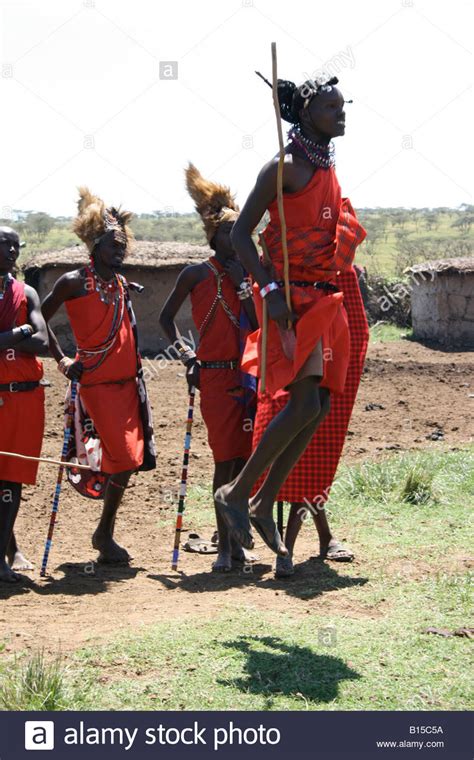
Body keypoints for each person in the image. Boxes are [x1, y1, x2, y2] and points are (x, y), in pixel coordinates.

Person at [215, 75, 366, 558]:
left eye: (343, 106)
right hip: (291, 298)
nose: (340, 114)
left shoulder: (327, 166)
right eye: (330, 107)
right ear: (306, 114)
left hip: (323, 297)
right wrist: (271, 288)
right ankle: (238, 494)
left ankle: (258, 502)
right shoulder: (282, 168)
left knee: (316, 408)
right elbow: (241, 236)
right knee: (302, 405)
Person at [41, 188, 156, 564]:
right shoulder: (74, 281)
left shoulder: (121, 285)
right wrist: (61, 360)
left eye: (122, 243)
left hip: (128, 387)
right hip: (97, 386)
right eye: (112, 244)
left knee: (132, 459)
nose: (120, 250)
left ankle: (104, 532)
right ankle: (103, 532)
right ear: (94, 245)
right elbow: (39, 317)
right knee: (123, 457)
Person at [160, 164, 258, 572]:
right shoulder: (195, 273)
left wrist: (242, 286)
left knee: (245, 460)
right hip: (215, 377)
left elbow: (256, 325)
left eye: (242, 234)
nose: (237, 241)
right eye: (229, 234)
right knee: (223, 461)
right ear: (213, 236)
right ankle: (223, 550)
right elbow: (166, 319)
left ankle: (235, 542)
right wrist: (187, 356)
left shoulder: (251, 274)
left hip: (249, 375)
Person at [252, 265, 369, 577]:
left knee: (313, 460)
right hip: (286, 369)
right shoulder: (281, 267)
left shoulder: (342, 273)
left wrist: (335, 375)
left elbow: (355, 331)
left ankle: (287, 549)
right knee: (297, 459)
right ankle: (318, 539)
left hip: (328, 375)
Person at [0, 226, 49, 582]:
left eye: (17, 246)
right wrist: (19, 333)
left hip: (26, 396)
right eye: (7, 246)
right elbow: (29, 334)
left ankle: (5, 554)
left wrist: (8, 337)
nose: (14, 252)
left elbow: (43, 340)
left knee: (13, 478)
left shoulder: (26, 292)